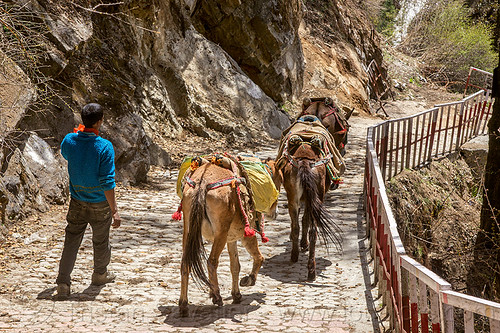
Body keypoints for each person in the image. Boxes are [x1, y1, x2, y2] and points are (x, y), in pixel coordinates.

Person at [55, 103, 121, 300]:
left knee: (71, 240)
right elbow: (107, 182)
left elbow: (66, 153)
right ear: (100, 121)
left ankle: (63, 283)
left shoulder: (69, 140)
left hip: (77, 200)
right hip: (99, 202)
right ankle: (100, 275)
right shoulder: (104, 147)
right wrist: (114, 210)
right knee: (100, 240)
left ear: (82, 120)